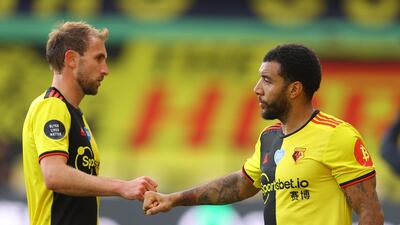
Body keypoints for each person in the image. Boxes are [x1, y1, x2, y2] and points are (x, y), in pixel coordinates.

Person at [143, 44, 384, 225]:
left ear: (294, 89)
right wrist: (173, 199)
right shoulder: (269, 137)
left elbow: (370, 212)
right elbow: (242, 184)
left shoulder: (336, 135)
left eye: (267, 81)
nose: (256, 89)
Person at [22, 21, 158, 225]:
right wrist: (121, 187)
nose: (106, 70)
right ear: (71, 59)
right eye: (98, 59)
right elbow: (54, 175)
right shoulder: (52, 107)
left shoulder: (75, 114)